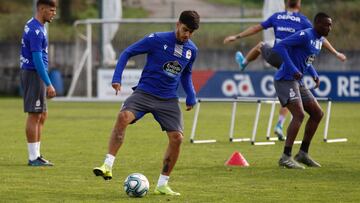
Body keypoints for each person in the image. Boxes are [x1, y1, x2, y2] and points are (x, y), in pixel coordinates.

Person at [93, 10, 200, 196]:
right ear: (177, 24)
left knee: (178, 138)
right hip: (144, 93)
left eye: (191, 32)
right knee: (123, 117)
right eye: (185, 30)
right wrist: (117, 77)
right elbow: (128, 52)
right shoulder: (156, 39)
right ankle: (107, 165)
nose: (187, 35)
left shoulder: (192, 50)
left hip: (168, 99)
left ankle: (162, 184)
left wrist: (191, 95)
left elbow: (187, 73)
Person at [223, 0, 346, 141]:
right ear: (298, 5)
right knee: (292, 89)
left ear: (286, 4)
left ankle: (243, 63)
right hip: (292, 60)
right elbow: (319, 38)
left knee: (261, 46)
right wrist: (336, 53)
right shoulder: (303, 20)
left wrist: (237, 36)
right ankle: (280, 124)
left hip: (277, 55)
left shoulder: (277, 16)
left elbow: (257, 28)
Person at [273, 12, 333, 169]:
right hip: (286, 79)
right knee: (298, 114)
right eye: (327, 24)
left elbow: (307, 58)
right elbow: (280, 46)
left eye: (331, 25)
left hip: (297, 81)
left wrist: (314, 74)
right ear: (317, 24)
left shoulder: (319, 40)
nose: (330, 28)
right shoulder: (305, 35)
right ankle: (285, 157)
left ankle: (303, 154)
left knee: (317, 113)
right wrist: (292, 69)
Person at [20, 0, 57, 166]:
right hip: (33, 73)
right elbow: (37, 59)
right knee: (34, 114)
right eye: (51, 10)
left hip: (35, 74)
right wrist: (48, 83)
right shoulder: (36, 30)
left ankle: (37, 155)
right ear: (41, 9)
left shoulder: (36, 25)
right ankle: (33, 157)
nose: (53, 13)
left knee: (42, 114)